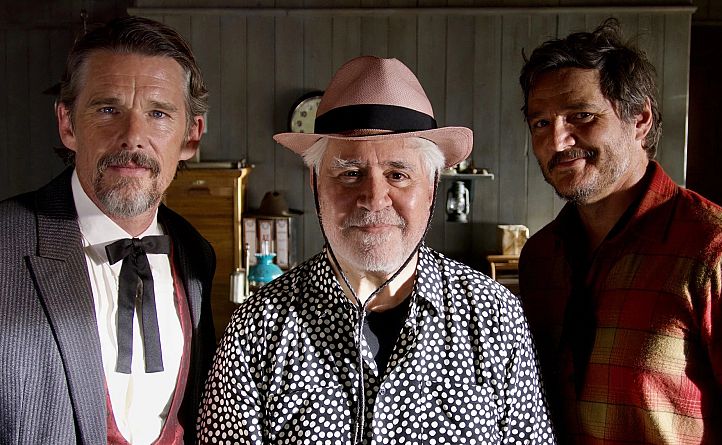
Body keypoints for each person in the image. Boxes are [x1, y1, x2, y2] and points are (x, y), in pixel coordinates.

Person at [198, 56, 555, 444]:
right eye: (350, 173)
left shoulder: (494, 316)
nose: (373, 198)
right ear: (316, 182)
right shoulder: (255, 329)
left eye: (398, 174)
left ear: (432, 186)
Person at [518, 18, 722, 444]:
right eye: (541, 123)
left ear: (640, 118)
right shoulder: (541, 258)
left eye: (581, 116)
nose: (557, 141)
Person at [0, 16, 216, 444]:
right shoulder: (6, 243)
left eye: (158, 113)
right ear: (67, 124)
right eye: (107, 110)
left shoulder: (196, 253)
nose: (132, 137)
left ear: (191, 136)